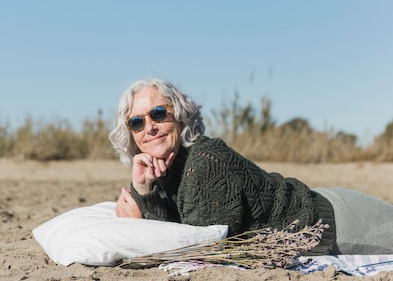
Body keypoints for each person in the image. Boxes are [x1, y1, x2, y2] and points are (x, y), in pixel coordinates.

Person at [109, 78, 393, 255]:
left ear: (181, 116)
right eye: (137, 122)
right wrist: (143, 189)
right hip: (319, 201)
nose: (150, 127)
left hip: (334, 223)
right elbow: (173, 228)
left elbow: (195, 250)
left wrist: (139, 219)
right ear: (130, 134)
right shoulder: (161, 171)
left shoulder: (204, 162)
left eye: (158, 113)